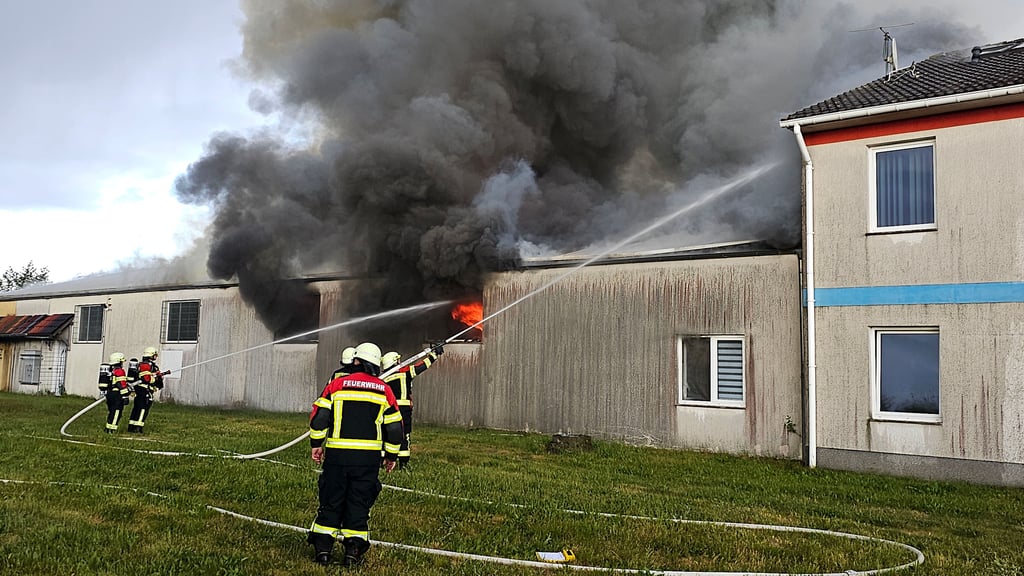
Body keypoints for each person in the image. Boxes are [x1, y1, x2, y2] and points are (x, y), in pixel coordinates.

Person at [307, 342, 403, 567]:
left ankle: (323, 550)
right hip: (368, 461)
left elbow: (319, 418)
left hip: (338, 457)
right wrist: (391, 456)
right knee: (359, 503)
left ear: (356, 361)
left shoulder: (337, 385)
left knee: (331, 501)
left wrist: (316, 444)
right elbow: (395, 428)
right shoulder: (384, 389)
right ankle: (353, 551)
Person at [380, 343, 443, 468]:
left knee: (385, 433)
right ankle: (403, 463)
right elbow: (422, 366)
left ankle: (382, 460)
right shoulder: (404, 372)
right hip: (403, 410)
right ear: (394, 361)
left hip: (387, 409)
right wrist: (434, 355)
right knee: (404, 434)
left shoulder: (382, 378)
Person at [127, 347, 166, 433]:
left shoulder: (147, 365)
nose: (156, 357)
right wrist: (155, 379)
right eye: (155, 355)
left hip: (142, 390)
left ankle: (131, 426)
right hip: (144, 390)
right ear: (151, 355)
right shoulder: (146, 365)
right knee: (142, 408)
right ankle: (138, 427)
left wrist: (158, 377)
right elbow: (146, 378)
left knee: (137, 408)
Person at [101, 353, 132, 433]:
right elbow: (121, 384)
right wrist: (125, 396)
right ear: (119, 362)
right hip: (117, 395)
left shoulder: (112, 371)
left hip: (110, 394)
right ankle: (112, 430)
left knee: (112, 411)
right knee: (116, 412)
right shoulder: (120, 371)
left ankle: (108, 428)